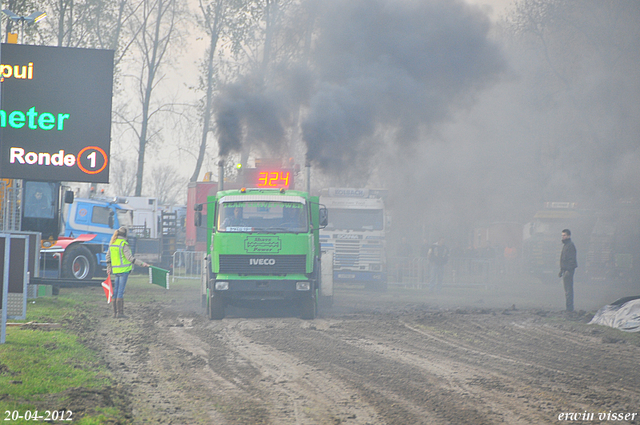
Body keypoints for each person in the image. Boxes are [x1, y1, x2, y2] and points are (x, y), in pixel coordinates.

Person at [106, 227, 149, 318]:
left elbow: (108, 257)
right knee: (120, 292)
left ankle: (114, 313)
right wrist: (141, 263)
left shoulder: (112, 243)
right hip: (124, 271)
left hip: (116, 271)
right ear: (125, 235)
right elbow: (130, 258)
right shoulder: (123, 244)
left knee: (116, 291)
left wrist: (109, 267)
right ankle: (120, 313)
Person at [559, 229, 578, 312]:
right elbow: (564, 259)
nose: (563, 237)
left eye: (564, 235)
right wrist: (561, 270)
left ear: (569, 236)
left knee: (568, 290)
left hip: (568, 271)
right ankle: (568, 308)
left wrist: (568, 270)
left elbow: (571, 260)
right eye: (562, 235)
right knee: (567, 290)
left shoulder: (570, 246)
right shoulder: (566, 245)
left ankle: (569, 309)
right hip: (565, 270)